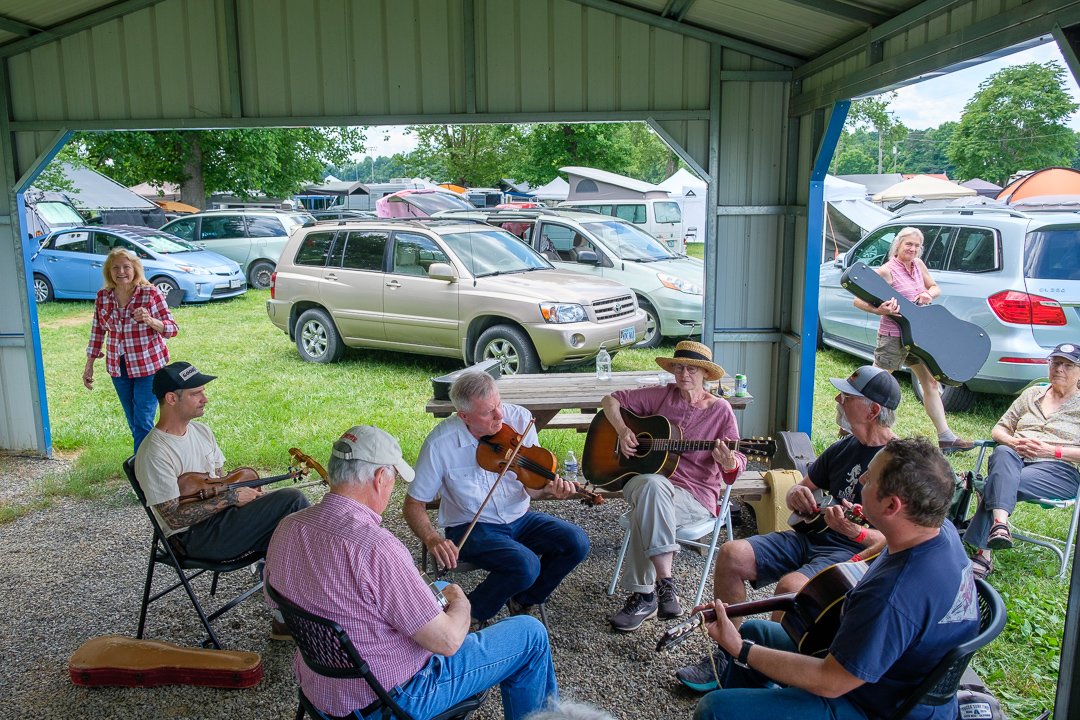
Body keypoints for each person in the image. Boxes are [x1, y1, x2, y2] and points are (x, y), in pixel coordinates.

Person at [265, 425, 558, 720]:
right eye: (394, 481)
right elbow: (447, 643)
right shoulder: (376, 547)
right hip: (388, 700)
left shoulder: (289, 526)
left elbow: (276, 602)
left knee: (436, 586)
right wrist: (461, 602)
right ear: (380, 479)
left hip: (322, 690)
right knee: (529, 633)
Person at [693, 437, 980, 720]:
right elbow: (879, 555)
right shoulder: (938, 529)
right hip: (886, 674)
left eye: (869, 479)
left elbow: (830, 681)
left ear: (892, 506)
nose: (861, 479)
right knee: (756, 631)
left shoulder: (891, 596)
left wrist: (739, 649)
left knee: (714, 709)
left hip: (873, 705)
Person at [676, 364, 899, 691]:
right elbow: (802, 487)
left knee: (792, 586)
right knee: (732, 553)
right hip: (809, 536)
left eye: (847, 396)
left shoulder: (897, 463)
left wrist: (857, 533)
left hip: (853, 553)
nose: (837, 399)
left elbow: (895, 538)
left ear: (873, 410)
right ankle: (727, 653)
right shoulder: (843, 447)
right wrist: (798, 494)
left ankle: (771, 671)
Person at [404, 371, 590, 628]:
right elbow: (413, 504)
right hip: (470, 528)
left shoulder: (520, 420)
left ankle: (524, 599)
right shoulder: (440, 444)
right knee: (525, 564)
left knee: (576, 542)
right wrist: (432, 538)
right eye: (488, 412)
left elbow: (533, 489)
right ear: (464, 416)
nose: (500, 416)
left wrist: (550, 490)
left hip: (520, 518)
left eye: (499, 404)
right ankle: (468, 615)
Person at [601, 340, 746, 632]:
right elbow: (611, 399)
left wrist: (729, 462)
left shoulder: (721, 411)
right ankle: (666, 584)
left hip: (693, 496)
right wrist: (622, 429)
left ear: (705, 374)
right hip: (642, 481)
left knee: (648, 506)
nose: (683, 374)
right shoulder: (662, 396)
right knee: (652, 488)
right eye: (678, 368)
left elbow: (736, 463)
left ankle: (644, 596)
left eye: (691, 369)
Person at [134, 361, 309, 579]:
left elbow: (223, 482)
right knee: (292, 499)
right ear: (171, 398)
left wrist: (251, 499)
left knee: (290, 521)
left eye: (203, 392)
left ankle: (284, 584)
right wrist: (232, 498)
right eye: (195, 393)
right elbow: (174, 520)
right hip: (194, 538)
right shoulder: (155, 452)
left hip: (223, 520)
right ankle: (296, 587)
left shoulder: (202, 431)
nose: (204, 399)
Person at [965, 342, 1080, 579]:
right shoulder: (1031, 394)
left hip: (1058, 471)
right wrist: (1013, 442)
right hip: (1014, 459)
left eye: (1068, 365)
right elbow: (1000, 429)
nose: (1059, 369)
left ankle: (984, 550)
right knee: (1003, 453)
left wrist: (1052, 450)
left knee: (998, 482)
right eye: (1056, 363)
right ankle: (999, 527)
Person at [852, 226, 972, 452]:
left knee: (930, 383)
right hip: (893, 336)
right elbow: (857, 301)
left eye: (917, 246)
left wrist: (929, 294)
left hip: (919, 336)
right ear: (897, 246)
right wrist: (881, 310)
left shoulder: (918, 266)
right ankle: (851, 427)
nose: (913, 249)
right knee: (875, 384)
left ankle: (946, 438)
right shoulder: (887, 271)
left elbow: (935, 287)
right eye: (908, 244)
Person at [84, 248, 178, 452]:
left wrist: (150, 320)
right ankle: (157, 458)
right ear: (109, 272)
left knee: (143, 419)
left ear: (135, 269)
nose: (121, 272)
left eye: (126, 267)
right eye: (115, 267)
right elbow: (97, 331)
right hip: (119, 369)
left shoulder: (150, 293)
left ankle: (143, 470)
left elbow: (172, 329)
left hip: (149, 367)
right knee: (133, 420)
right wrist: (89, 365)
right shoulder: (103, 296)